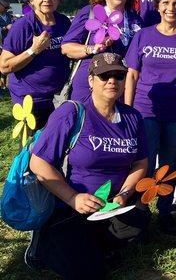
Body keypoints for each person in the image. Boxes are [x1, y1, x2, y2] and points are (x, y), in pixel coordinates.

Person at [27, 52, 149, 279]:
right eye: (104, 76)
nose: (112, 81)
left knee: (139, 219)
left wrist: (124, 193)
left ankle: (95, 243)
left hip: (111, 204)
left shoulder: (133, 117)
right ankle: (45, 243)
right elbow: (38, 162)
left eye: (118, 76)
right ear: (91, 80)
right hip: (72, 205)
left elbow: (141, 162)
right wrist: (74, 198)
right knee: (88, 272)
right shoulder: (72, 112)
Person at [124, 0, 176, 234]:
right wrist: (127, 112)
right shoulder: (143, 35)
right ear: (157, 6)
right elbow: (132, 75)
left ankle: (165, 212)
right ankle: (140, 211)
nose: (171, 8)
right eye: (166, 2)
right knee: (143, 164)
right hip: (145, 111)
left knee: (168, 165)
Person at [61, 0, 142, 102]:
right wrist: (93, 48)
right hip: (90, 87)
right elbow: (66, 48)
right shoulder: (90, 13)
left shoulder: (136, 20)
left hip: (121, 88)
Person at [0, 0, 71, 128]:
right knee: (34, 149)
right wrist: (34, 50)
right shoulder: (23, 26)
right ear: (31, 0)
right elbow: (4, 66)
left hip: (61, 97)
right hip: (32, 101)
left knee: (59, 146)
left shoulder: (65, 22)